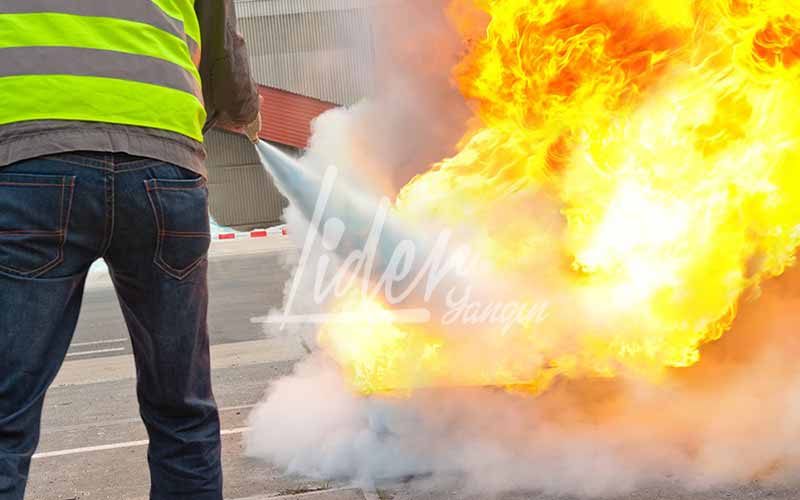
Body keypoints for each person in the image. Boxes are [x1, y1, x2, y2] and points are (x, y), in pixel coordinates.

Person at [0, 2, 262, 498]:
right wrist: (243, 111)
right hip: (164, 167)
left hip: (28, 160)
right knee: (183, 412)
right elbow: (223, 49)